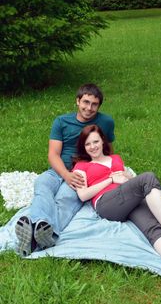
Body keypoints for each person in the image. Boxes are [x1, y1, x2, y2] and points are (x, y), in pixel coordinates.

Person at [72, 124, 161, 280]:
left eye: (95, 142)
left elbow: (128, 180)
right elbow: (82, 195)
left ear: (103, 141)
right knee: (148, 178)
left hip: (129, 200)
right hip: (107, 204)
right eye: (87, 144)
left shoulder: (116, 159)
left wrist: (128, 177)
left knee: (153, 228)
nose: (92, 147)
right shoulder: (82, 165)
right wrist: (110, 179)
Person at [15, 84, 115, 256]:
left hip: (82, 173)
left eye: (94, 104)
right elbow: (53, 154)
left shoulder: (106, 122)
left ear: (99, 106)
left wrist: (101, 173)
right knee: (42, 186)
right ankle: (43, 231)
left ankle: (33, 238)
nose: (89, 108)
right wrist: (65, 175)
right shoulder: (61, 122)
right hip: (58, 170)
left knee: (65, 199)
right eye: (85, 102)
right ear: (77, 101)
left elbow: (108, 151)